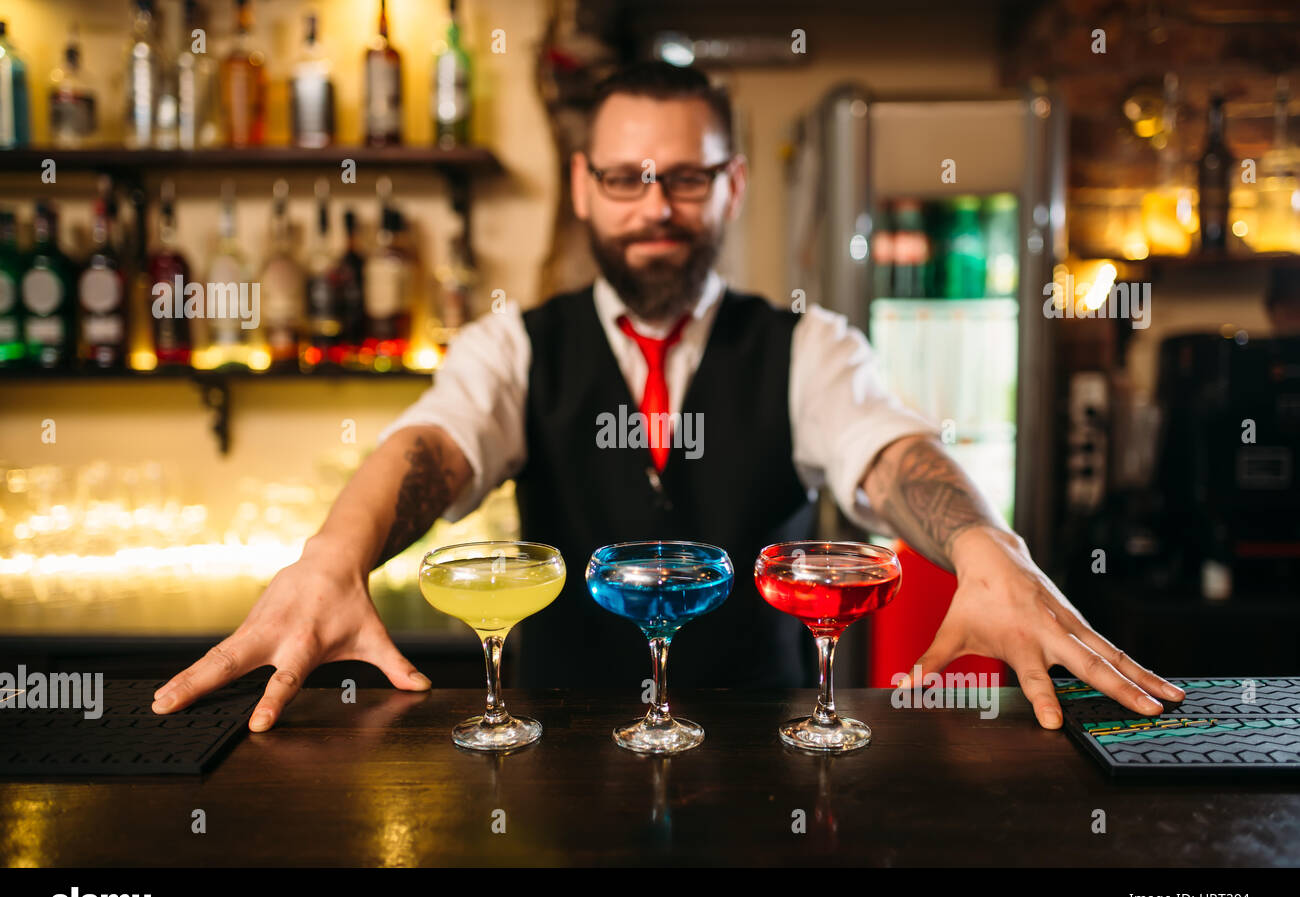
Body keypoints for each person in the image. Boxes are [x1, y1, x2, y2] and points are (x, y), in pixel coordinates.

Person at [152, 62, 1184, 732]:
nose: (656, 207)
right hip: (558, 776)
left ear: (731, 186)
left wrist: (984, 548)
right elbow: (435, 445)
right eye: (627, 178)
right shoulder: (516, 344)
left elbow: (890, 455)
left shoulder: (805, 344)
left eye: (687, 180)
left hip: (770, 770)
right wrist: (333, 557)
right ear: (582, 184)